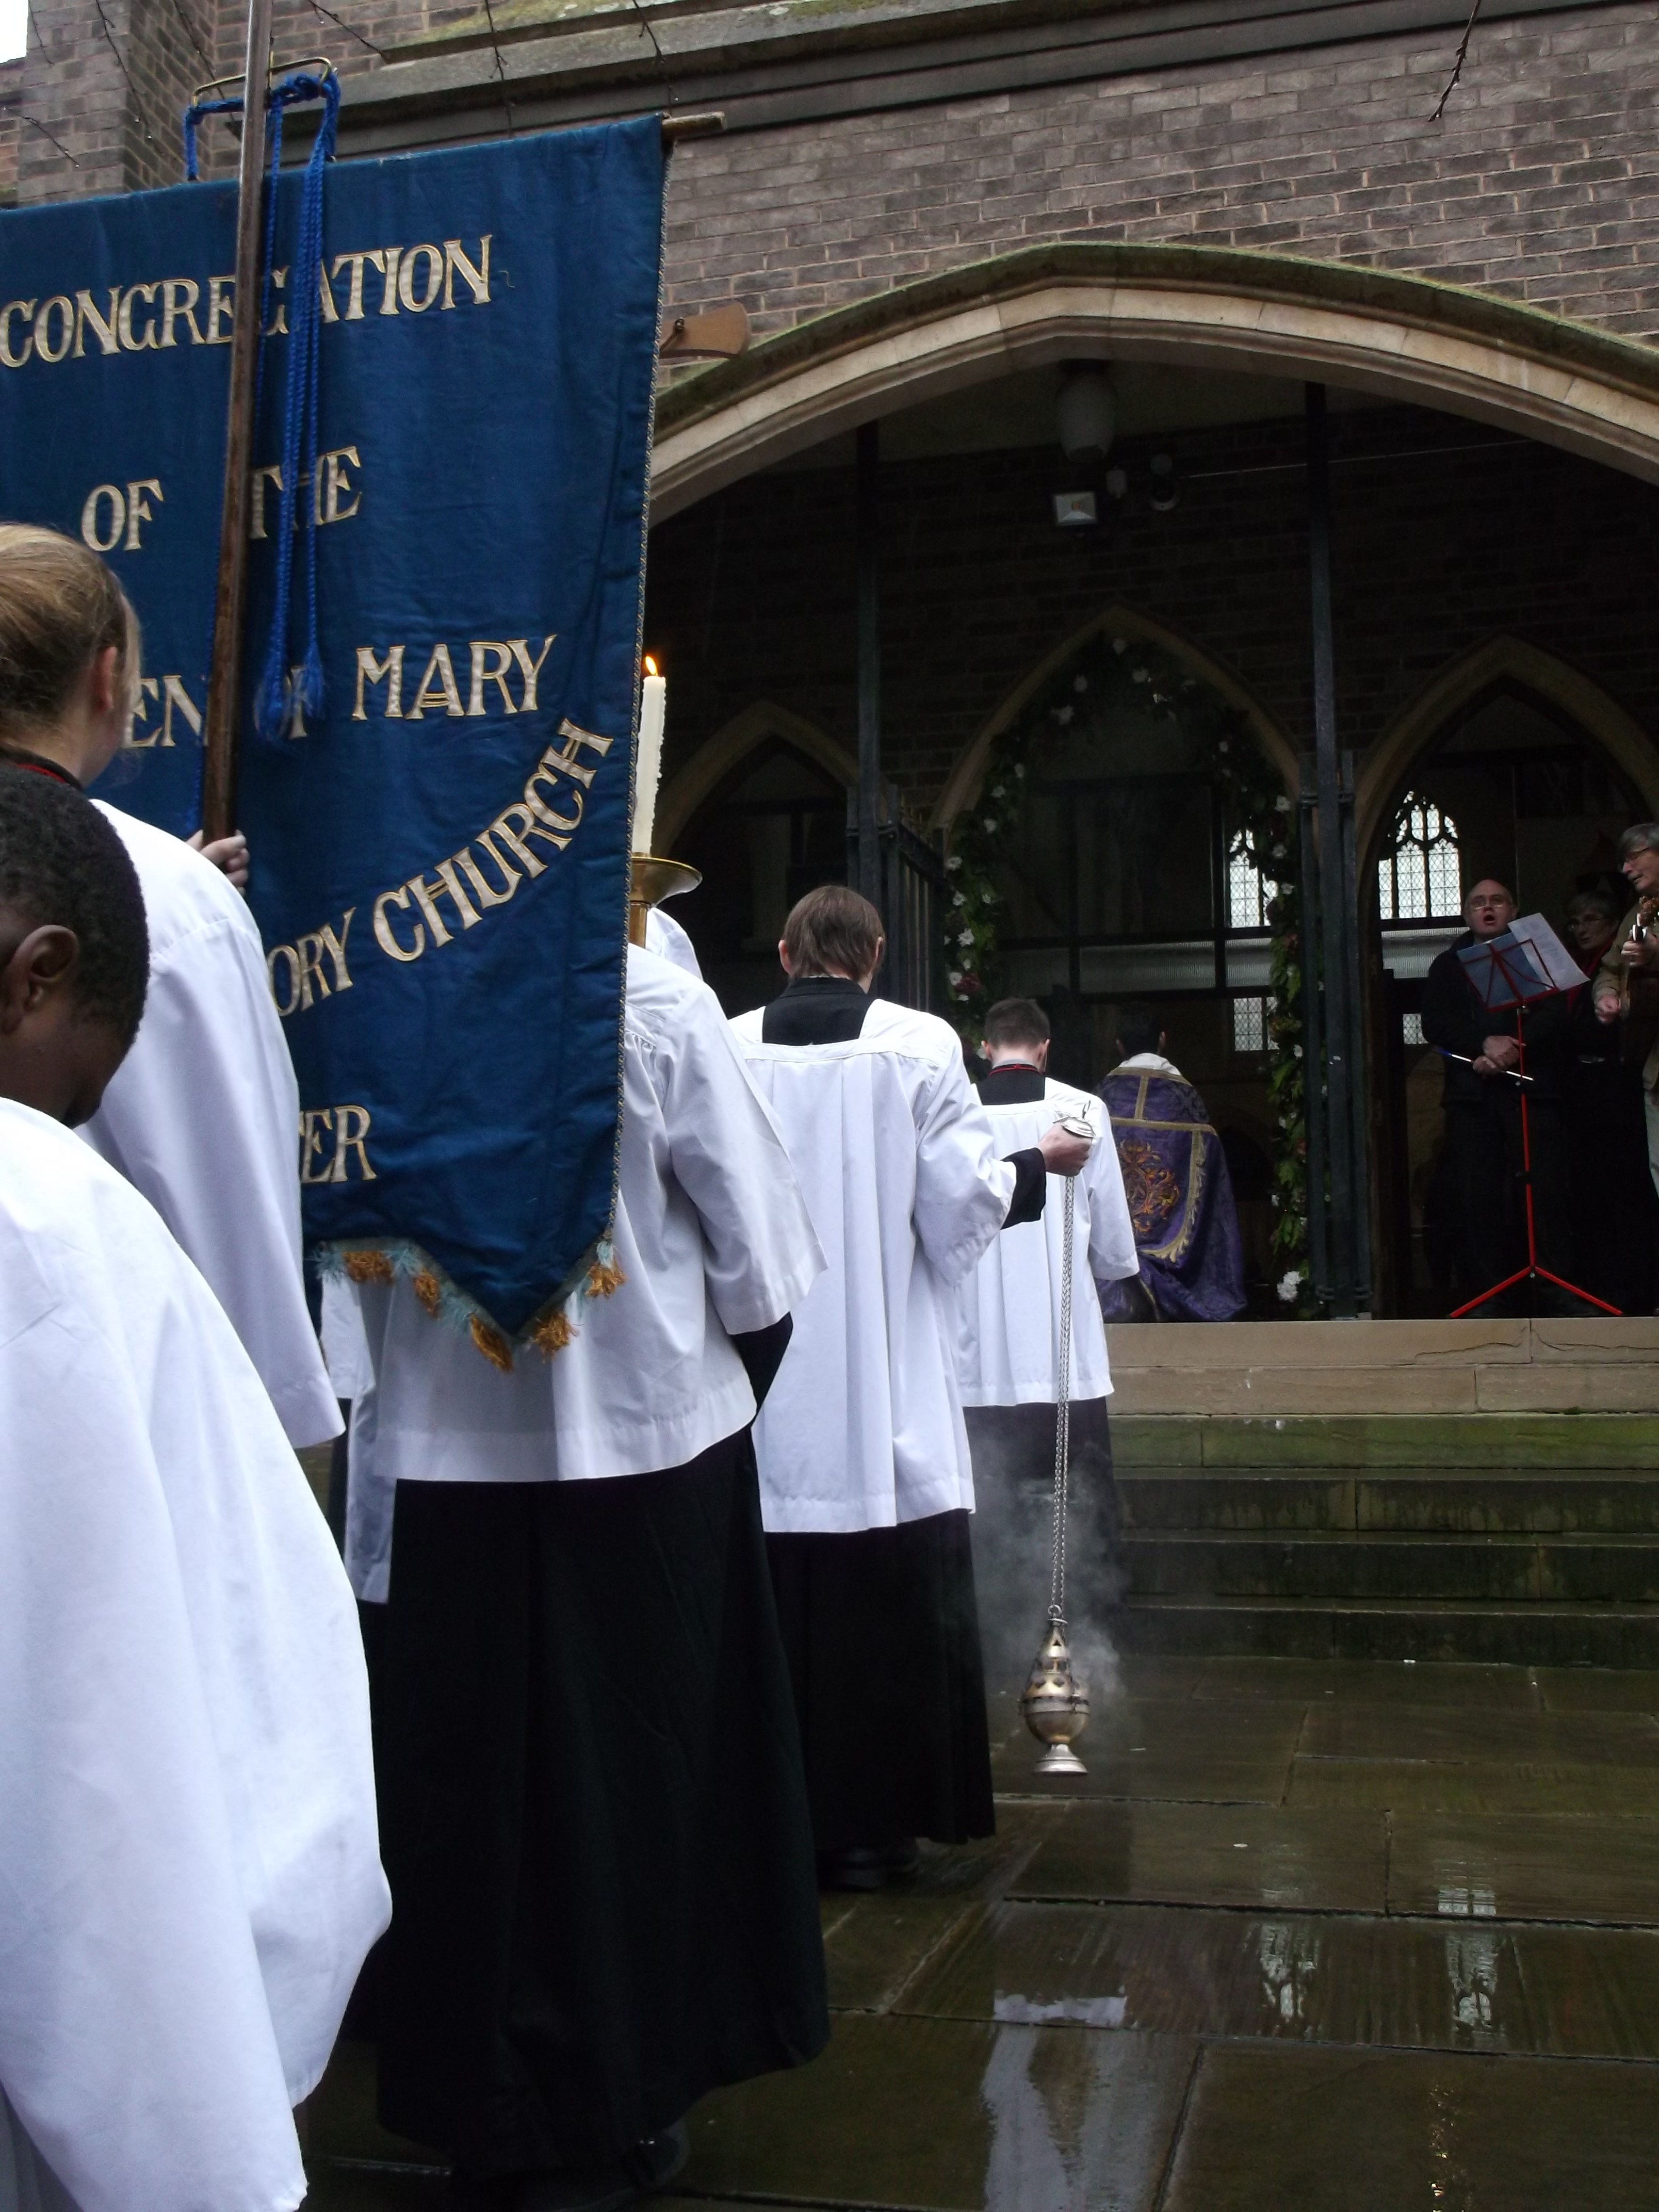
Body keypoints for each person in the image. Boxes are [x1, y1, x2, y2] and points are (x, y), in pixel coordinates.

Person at [346, 936, 829, 2210]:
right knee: (638, 1782)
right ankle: (622, 2087)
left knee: (472, 1791)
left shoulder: (392, 993)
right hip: (649, 1451)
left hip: (450, 1457)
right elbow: (760, 1261)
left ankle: (481, 2102)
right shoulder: (660, 1002)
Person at [0, 765, 387, 2212]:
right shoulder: (39, 1220)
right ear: (38, 980)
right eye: (84, 1089)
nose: (74, 1121)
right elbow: (116, 1793)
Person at [730, 886, 1093, 1891]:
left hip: (758, 1389)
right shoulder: (921, 1043)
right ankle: (874, 1829)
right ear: (875, 955)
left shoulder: (726, 1042)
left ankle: (768, 1818)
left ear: (784, 950)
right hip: (883, 1383)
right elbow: (957, 1208)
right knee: (884, 1593)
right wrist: (1036, 1171)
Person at [0, 524, 338, 1447]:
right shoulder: (161, 900)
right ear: (106, 679)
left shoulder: (153, 890)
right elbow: (222, 1207)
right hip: (90, 1416)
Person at [951, 997, 1138, 1680]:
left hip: (972, 1364)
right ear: (1046, 1047)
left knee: (985, 1516)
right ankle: (1083, 1645)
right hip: (1062, 1361)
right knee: (1074, 1518)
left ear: (983, 1047)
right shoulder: (1083, 1110)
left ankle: (984, 1648)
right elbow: (1116, 1250)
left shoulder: (955, 1112)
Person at [1420, 876, 1578, 1310]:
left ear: (1513, 909)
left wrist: (1512, 1049)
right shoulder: (1447, 965)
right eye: (1478, 903)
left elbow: (1556, 1015)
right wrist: (1483, 1044)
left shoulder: (1536, 955)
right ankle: (1490, 1294)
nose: (1487, 909)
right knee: (1479, 1195)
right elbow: (1434, 1024)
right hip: (1473, 1095)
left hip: (1532, 1092)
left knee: (1545, 1193)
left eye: (1497, 901)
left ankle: (1555, 1290)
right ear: (1466, 914)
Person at [1095, 1004, 1245, 1321]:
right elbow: (1211, 1171)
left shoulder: (1101, 1100)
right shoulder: (1185, 1101)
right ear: (1163, 1040)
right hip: (1172, 1251)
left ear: (1119, 1046)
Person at [1562, 881, 1658, 1313]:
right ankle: (1602, 1289)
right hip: (1581, 1093)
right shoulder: (1578, 967)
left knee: (1627, 1192)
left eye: (1591, 920)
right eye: (1576, 922)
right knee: (1592, 1195)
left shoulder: (1618, 967)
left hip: (1616, 1088)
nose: (1582, 929)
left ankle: (1637, 1290)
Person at [1593, 823, 1659, 1201]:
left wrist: (1655, 954)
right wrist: (1607, 996)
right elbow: (1610, 968)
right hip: (1653, 1064)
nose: (1625, 869)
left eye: (1634, 858)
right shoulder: (1640, 912)